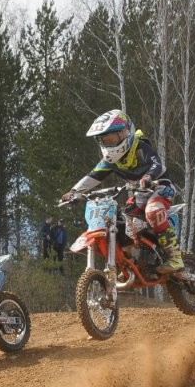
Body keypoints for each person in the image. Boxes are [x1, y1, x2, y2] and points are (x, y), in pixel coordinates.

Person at [61, 109, 184, 273]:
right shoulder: (110, 161)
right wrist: (74, 191)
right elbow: (93, 176)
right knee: (124, 221)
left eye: (111, 139)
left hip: (161, 187)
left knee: (153, 211)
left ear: (126, 132)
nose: (108, 143)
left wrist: (148, 177)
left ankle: (174, 257)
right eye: (104, 140)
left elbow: (157, 164)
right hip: (140, 194)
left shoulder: (141, 147)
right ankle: (135, 259)